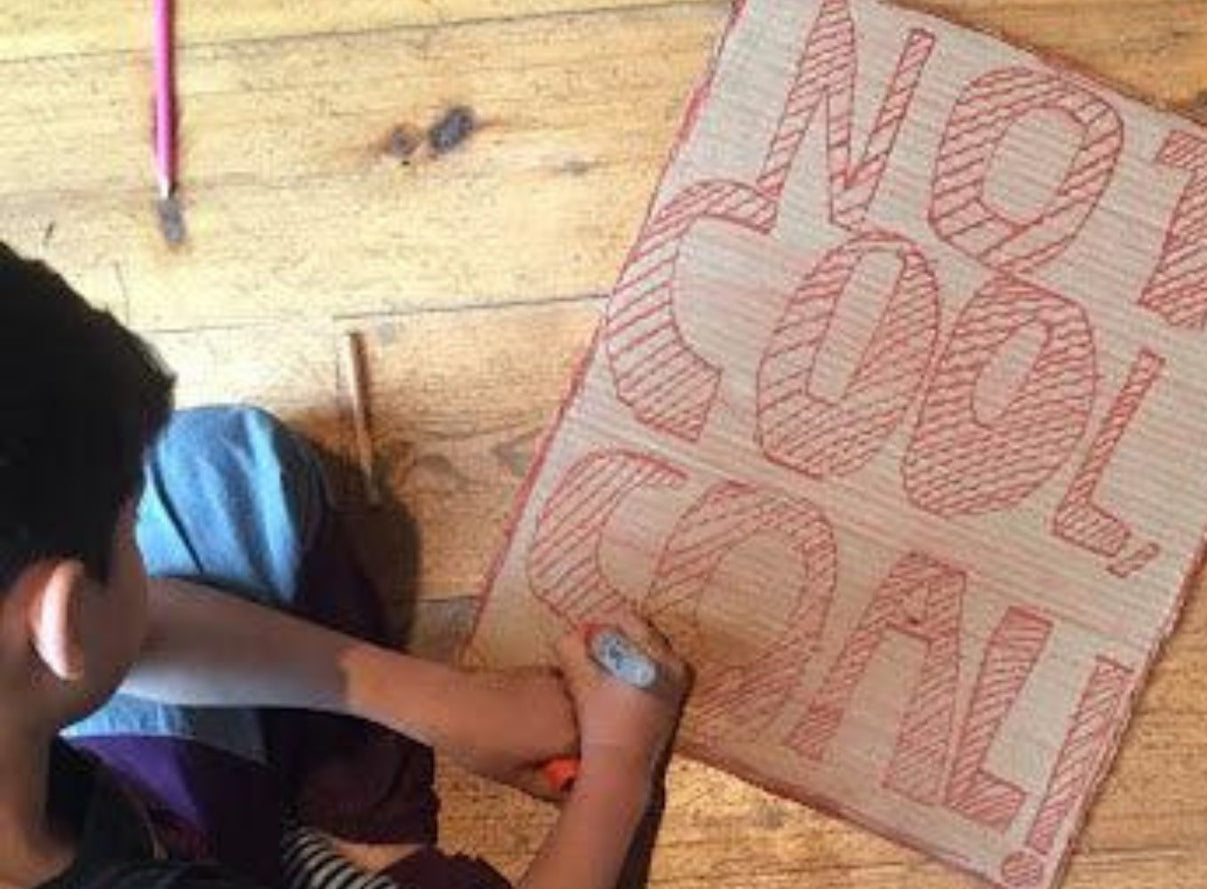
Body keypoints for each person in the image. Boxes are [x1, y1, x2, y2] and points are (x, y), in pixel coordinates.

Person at [0, 243, 690, 889]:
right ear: (60, 621)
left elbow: (119, 628)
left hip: (111, 796)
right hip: (188, 847)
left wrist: (448, 703)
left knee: (218, 467)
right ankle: (361, 846)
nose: (138, 545)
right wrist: (617, 773)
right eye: (130, 531)